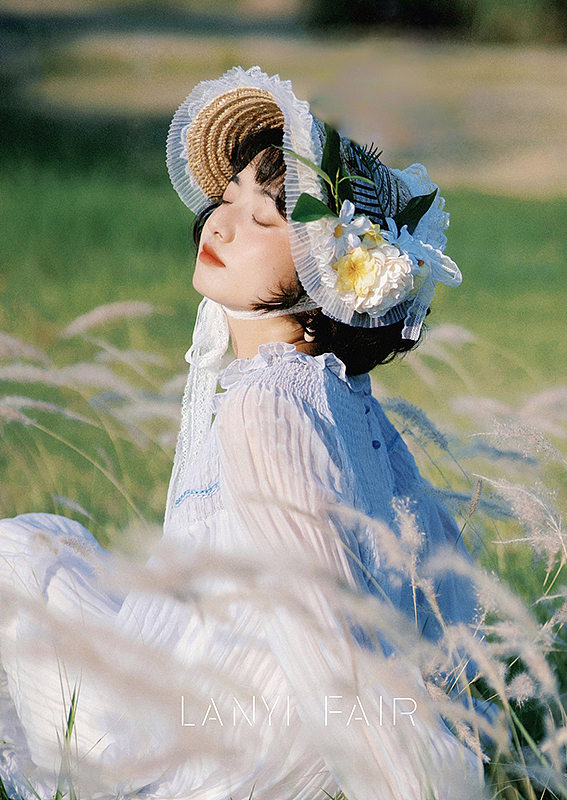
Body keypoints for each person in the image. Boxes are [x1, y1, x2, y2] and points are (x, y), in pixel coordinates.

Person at [0, 66, 486, 800]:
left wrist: (415, 780)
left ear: (332, 271)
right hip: (253, 701)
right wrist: (463, 717)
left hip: (220, 738)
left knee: (21, 556)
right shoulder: (348, 399)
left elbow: (322, 618)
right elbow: (440, 583)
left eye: (266, 220)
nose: (220, 226)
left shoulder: (269, 404)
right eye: (228, 201)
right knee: (51, 555)